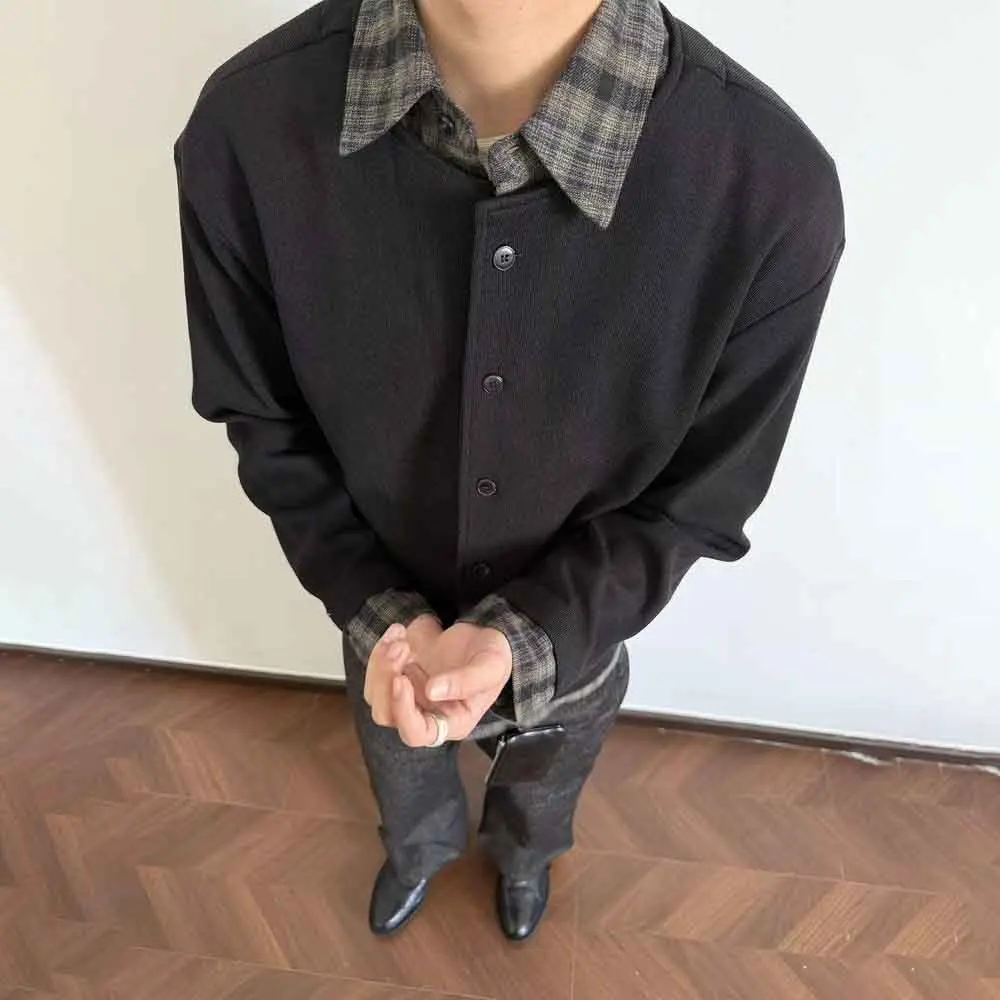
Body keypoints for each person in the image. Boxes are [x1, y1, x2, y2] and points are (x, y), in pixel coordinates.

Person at [173, 0, 846, 943]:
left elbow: (703, 498)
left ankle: (526, 861)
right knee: (401, 761)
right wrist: (381, 612)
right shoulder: (245, 129)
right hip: (381, 631)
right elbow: (265, 419)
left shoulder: (769, 189)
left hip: (581, 637)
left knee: (546, 780)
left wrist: (535, 636)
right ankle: (417, 853)